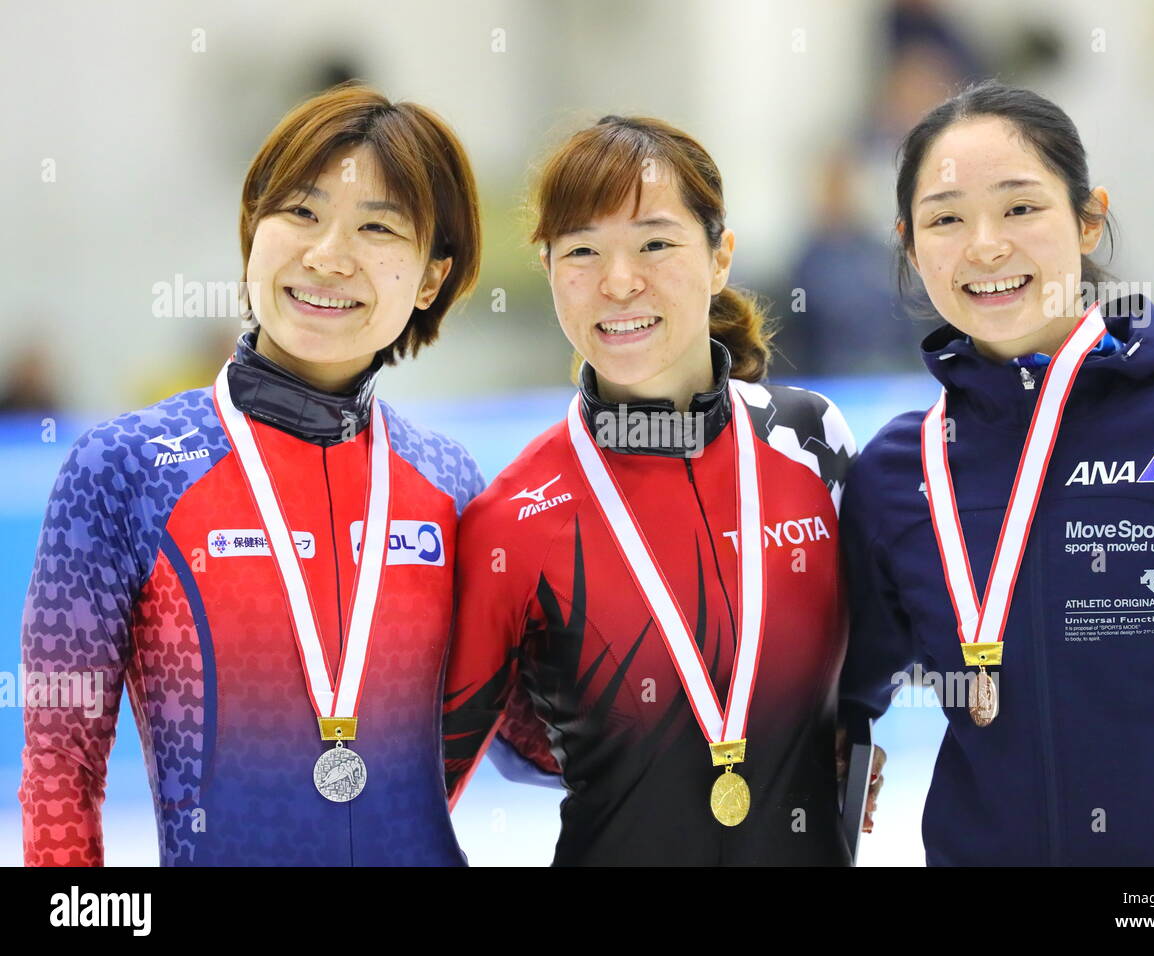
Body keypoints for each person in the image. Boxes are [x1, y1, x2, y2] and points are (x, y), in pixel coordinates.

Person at [19, 81, 484, 866]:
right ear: (252, 230)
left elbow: (543, 743)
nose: (327, 255)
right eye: (300, 213)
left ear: (431, 278)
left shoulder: (453, 484)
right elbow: (58, 774)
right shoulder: (125, 471)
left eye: (377, 227)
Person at [840, 79, 1154, 865]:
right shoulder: (898, 473)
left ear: (1088, 219)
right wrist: (840, 769)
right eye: (946, 219)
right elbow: (833, 701)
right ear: (911, 247)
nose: (984, 246)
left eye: (1020, 207)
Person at [442, 115, 860, 865]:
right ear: (547, 268)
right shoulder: (512, 519)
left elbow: (864, 664)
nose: (619, 281)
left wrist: (845, 736)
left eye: (655, 243)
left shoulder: (813, 444)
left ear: (721, 256)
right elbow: (430, 787)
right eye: (582, 251)